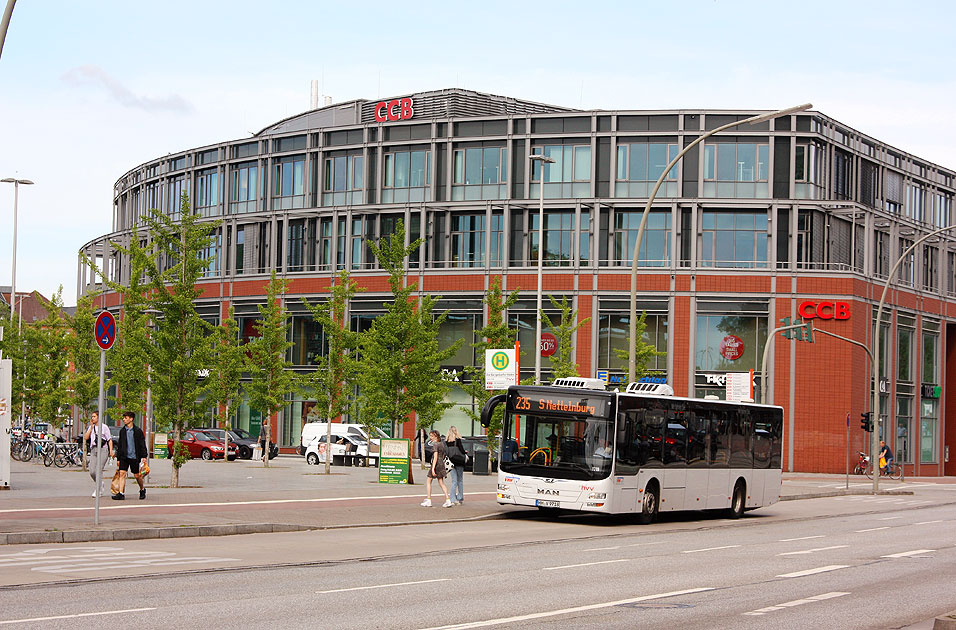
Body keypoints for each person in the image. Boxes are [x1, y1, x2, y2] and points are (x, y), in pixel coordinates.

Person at [114, 411, 149, 500]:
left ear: (131, 419)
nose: (124, 419)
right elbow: (120, 445)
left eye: (126, 418)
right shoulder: (122, 431)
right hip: (124, 457)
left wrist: (144, 456)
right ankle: (121, 493)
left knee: (137, 475)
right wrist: (118, 458)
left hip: (134, 456)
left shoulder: (137, 431)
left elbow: (142, 444)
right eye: (124, 418)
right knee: (122, 473)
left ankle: (142, 489)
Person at [83, 412, 113, 498]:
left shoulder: (104, 427)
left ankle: (98, 489)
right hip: (93, 449)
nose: (92, 418)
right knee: (92, 471)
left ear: (98, 417)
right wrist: (91, 428)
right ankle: (100, 483)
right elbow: (86, 437)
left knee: (99, 470)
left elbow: (109, 439)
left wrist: (111, 451)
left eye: (94, 416)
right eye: (92, 416)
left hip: (103, 449)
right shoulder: (91, 427)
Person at [421, 430, 452, 508]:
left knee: (429, 481)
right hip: (441, 464)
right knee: (441, 482)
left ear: (436, 436)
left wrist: (433, 468)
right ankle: (448, 500)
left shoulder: (435, 445)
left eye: (432, 436)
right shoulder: (442, 444)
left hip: (436, 464)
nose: (430, 438)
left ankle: (428, 500)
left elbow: (435, 457)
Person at [445, 426, 466, 505]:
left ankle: (452, 498)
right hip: (459, 462)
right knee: (460, 480)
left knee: (454, 481)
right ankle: (460, 497)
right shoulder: (458, 441)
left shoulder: (446, 442)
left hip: (451, 463)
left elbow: (446, 453)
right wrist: (465, 453)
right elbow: (462, 450)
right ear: (456, 431)